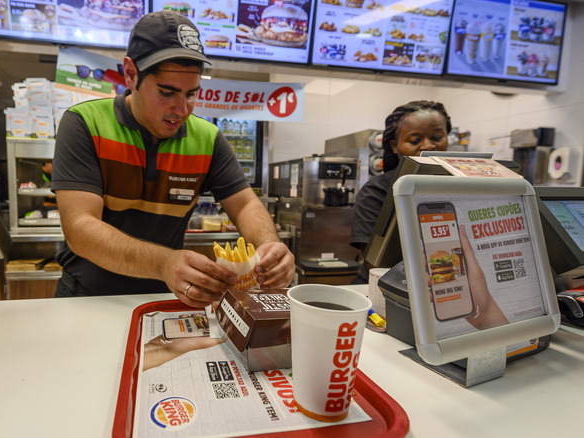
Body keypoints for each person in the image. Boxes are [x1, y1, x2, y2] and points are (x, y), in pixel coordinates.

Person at [50, 11, 295, 307]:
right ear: (131, 74)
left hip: (167, 298)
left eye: (191, 94)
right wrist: (164, 263)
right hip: (88, 298)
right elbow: (80, 228)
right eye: (167, 93)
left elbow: (244, 203)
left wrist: (270, 244)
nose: (181, 109)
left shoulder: (207, 137)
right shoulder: (85, 123)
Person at [350, 100, 452, 283]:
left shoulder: (461, 185)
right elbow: (377, 266)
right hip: (385, 291)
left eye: (436, 138)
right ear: (395, 146)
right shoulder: (376, 192)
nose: (428, 146)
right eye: (415, 140)